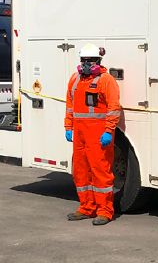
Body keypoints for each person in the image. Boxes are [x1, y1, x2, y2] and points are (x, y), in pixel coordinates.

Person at [64, 43, 121, 226]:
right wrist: (68, 126)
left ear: (99, 61)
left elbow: (113, 108)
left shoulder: (106, 80)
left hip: (98, 134)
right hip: (80, 132)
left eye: (90, 60)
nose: (87, 64)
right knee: (81, 171)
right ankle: (86, 207)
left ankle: (104, 211)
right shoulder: (75, 79)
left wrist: (108, 131)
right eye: (84, 60)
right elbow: (70, 106)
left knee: (101, 171)